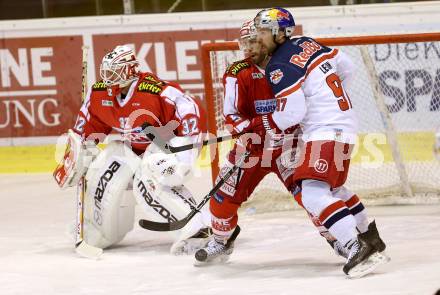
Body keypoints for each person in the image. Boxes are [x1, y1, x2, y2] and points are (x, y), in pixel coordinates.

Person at [195, 20, 354, 265]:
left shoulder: (287, 67)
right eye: (244, 42)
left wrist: (279, 128)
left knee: (312, 196)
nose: (247, 48)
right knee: (221, 200)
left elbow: (305, 110)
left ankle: (339, 239)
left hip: (289, 146)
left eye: (253, 42)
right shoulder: (237, 73)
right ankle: (221, 240)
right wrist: (251, 130)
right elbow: (231, 117)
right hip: (251, 148)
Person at [249, 7, 389, 277]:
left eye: (264, 31)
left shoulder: (278, 65)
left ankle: (354, 246)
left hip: (326, 129)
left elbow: (293, 112)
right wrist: (327, 101)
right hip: (342, 124)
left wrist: (270, 124)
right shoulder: (307, 43)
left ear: (280, 33)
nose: (259, 36)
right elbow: (347, 67)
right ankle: (369, 237)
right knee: (335, 190)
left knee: (312, 193)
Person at [53, 45, 211, 255]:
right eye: (106, 72)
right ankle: (100, 232)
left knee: (148, 180)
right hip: (133, 149)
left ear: (129, 70)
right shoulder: (100, 94)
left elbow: (189, 108)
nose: (108, 77)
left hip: (166, 145)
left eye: (114, 72)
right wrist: (77, 158)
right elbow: (88, 131)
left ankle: (199, 229)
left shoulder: (154, 91)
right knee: (103, 171)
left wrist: (184, 153)